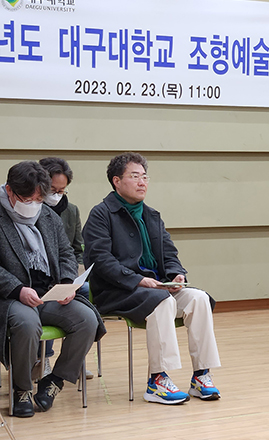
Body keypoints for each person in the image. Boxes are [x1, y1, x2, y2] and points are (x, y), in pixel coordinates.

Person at [83, 153, 222, 404]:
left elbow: (169, 253)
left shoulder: (152, 215)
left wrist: (177, 274)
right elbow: (100, 261)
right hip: (118, 290)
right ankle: (157, 380)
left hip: (156, 288)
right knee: (161, 301)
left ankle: (201, 375)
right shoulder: (101, 214)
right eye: (135, 176)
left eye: (145, 177)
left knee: (199, 299)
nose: (142, 182)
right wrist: (137, 280)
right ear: (116, 181)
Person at [0, 161, 104, 418]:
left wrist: (68, 282)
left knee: (87, 319)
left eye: (39, 199)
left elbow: (66, 253)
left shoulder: (47, 215)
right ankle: (21, 389)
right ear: (10, 190)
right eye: (28, 199)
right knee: (27, 324)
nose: (34, 204)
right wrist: (18, 289)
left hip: (47, 292)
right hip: (11, 296)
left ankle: (55, 380)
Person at [39, 157, 93, 380]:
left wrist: (73, 278)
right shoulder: (32, 210)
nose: (57, 195)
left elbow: (77, 249)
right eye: (53, 190)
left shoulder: (71, 211)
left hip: (66, 275)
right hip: (41, 279)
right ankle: (43, 358)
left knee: (85, 289)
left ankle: (74, 358)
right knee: (50, 295)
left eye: (62, 191)